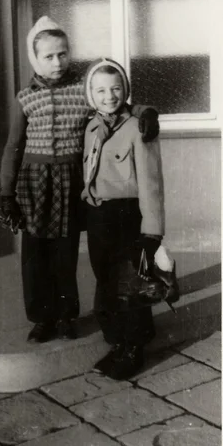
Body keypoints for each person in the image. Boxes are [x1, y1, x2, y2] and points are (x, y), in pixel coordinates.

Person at [0, 17, 160, 344]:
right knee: (34, 255)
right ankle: (41, 318)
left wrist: (146, 112)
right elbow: (13, 146)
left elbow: (115, 102)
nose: (57, 62)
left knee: (65, 252)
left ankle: (65, 315)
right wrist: (7, 194)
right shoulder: (25, 98)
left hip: (71, 181)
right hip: (34, 184)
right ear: (35, 59)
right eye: (48, 56)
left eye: (62, 54)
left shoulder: (82, 90)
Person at [82, 57, 165, 379]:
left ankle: (135, 348)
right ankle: (117, 343)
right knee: (105, 283)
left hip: (127, 215)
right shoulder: (90, 126)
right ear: (91, 93)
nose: (109, 96)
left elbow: (151, 181)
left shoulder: (138, 127)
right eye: (100, 90)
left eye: (116, 88)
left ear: (125, 90)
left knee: (130, 283)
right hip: (98, 215)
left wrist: (152, 231)